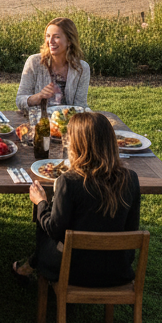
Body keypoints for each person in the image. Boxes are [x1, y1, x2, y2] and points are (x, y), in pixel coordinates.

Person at [13, 111, 140, 284]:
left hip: (72, 270)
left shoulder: (69, 181)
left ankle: (33, 265)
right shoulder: (130, 178)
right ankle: (30, 265)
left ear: (78, 145)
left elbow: (54, 230)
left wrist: (41, 202)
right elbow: (131, 229)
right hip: (116, 270)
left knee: (44, 228)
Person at [15, 17, 90, 110]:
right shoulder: (34, 62)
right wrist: (38, 96)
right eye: (48, 36)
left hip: (69, 121)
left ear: (69, 41)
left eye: (56, 37)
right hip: (40, 121)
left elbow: (80, 105)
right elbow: (19, 100)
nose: (50, 41)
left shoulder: (82, 68)